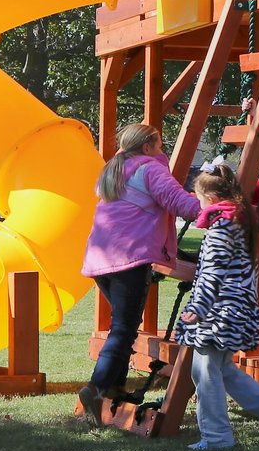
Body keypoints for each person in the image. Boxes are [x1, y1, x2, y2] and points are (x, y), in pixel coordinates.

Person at [79, 123, 202, 422]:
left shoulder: (114, 168)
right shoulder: (150, 169)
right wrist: (217, 209)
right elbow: (179, 202)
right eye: (159, 144)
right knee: (123, 328)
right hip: (128, 259)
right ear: (147, 147)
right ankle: (97, 389)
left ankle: (114, 389)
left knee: (123, 327)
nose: (162, 150)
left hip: (102, 258)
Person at [174, 165, 259, 451]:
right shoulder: (239, 222)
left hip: (218, 312)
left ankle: (217, 437)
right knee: (222, 369)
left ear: (212, 200)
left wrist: (199, 308)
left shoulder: (221, 229)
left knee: (204, 371)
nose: (198, 204)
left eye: (199, 198)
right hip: (236, 310)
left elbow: (213, 273)